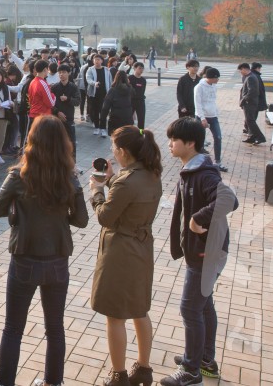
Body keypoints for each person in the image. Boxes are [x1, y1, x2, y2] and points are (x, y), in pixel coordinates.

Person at [0, 115, 88, 386]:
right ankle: (53, 382)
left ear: (31, 140)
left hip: (24, 255)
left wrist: (17, 213)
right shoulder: (70, 176)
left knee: (13, 328)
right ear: (63, 143)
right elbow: (81, 220)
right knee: (55, 328)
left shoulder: (19, 174)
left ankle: (4, 382)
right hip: (57, 257)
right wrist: (61, 215)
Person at [162, 117, 238, 386]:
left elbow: (229, 200)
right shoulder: (192, 168)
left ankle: (192, 370)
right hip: (203, 251)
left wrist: (197, 219)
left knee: (189, 309)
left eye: (174, 140)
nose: (169, 144)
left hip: (208, 253)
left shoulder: (204, 173)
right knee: (204, 306)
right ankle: (204, 359)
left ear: (190, 143)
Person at [89, 126, 164, 386]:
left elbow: (105, 216)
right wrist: (111, 180)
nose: (112, 153)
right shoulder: (152, 175)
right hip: (143, 247)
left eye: (114, 149)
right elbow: (130, 197)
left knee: (115, 316)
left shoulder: (125, 181)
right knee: (140, 310)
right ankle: (144, 367)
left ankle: (118, 374)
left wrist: (97, 189)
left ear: (123, 151)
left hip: (121, 250)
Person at [193, 67, 226, 172]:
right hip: (201, 117)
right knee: (199, 140)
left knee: (218, 137)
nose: (218, 80)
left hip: (213, 117)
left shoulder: (214, 86)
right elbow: (198, 104)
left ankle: (217, 162)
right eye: (217, 78)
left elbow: (213, 101)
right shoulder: (199, 87)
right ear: (211, 77)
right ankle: (198, 162)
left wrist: (215, 112)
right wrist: (202, 118)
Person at [237, 63, 266, 146]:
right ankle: (252, 137)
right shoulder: (250, 76)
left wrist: (243, 100)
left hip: (250, 103)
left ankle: (260, 137)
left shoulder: (251, 78)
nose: (241, 73)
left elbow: (252, 92)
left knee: (250, 121)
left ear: (244, 69)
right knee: (249, 121)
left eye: (240, 71)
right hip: (250, 103)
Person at [100, 71, 135, 136]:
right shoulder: (130, 89)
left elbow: (105, 107)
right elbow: (133, 103)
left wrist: (102, 123)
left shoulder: (113, 90)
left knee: (116, 139)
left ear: (116, 78)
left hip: (116, 118)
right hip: (128, 118)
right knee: (126, 139)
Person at [85, 54, 111, 135]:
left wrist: (110, 91)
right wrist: (94, 83)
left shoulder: (106, 70)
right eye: (95, 59)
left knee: (103, 111)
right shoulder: (90, 69)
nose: (96, 61)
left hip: (104, 94)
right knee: (95, 111)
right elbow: (88, 78)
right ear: (93, 61)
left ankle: (103, 128)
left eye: (98, 59)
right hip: (94, 94)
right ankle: (96, 127)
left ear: (102, 61)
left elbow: (110, 81)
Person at [129, 62, 147, 130]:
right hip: (131, 101)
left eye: (142, 69)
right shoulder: (130, 78)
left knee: (141, 119)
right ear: (134, 68)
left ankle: (141, 134)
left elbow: (142, 91)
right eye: (139, 68)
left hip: (141, 101)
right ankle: (129, 133)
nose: (141, 70)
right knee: (129, 119)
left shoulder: (143, 80)